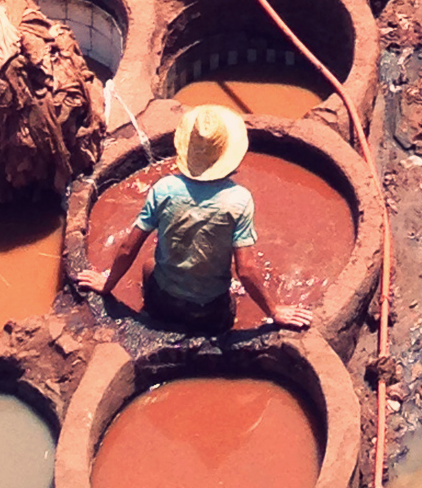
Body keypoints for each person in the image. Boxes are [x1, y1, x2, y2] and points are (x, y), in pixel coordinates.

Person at [76, 104, 313, 334]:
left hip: (162, 303)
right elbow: (246, 270)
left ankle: (151, 314)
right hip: (210, 313)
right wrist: (274, 311)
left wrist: (107, 284)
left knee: (149, 265)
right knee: (227, 284)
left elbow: (128, 248)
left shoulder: (164, 189)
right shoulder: (239, 200)